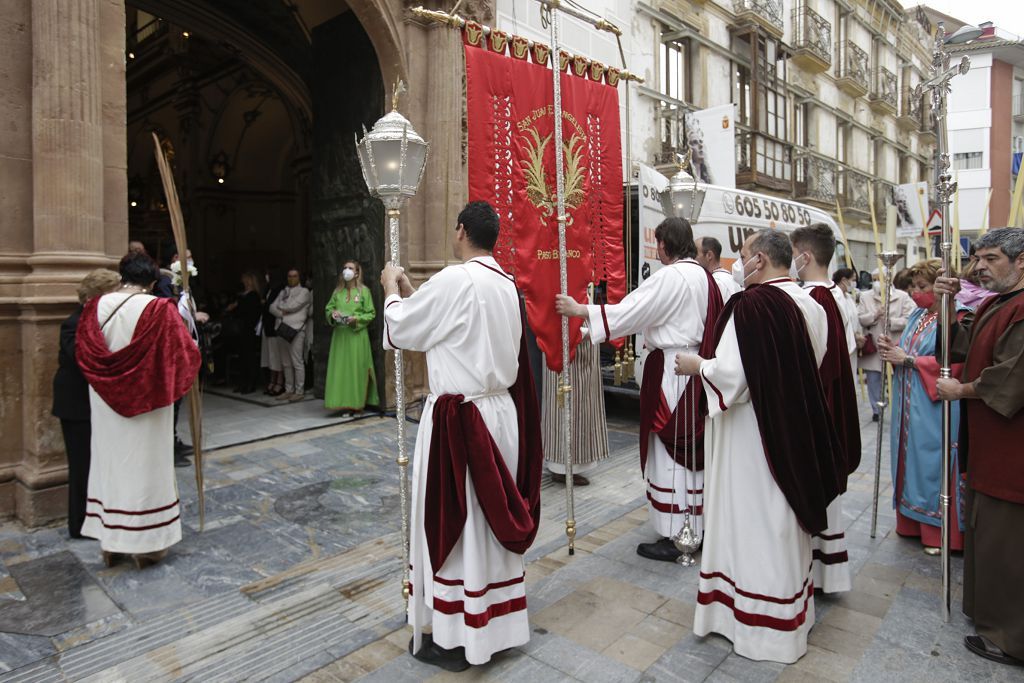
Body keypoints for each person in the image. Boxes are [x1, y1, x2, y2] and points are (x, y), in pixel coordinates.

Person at [380, 201, 542, 670]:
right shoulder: (508, 284)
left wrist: (391, 288)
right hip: (499, 416)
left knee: (464, 522)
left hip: (460, 420)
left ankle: (459, 635)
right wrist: (413, 292)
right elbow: (443, 324)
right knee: (487, 524)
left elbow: (401, 329)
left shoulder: (455, 279)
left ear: (460, 232)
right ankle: (497, 624)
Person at [675, 229, 842, 664]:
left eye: (743, 255)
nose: (737, 262)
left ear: (761, 261)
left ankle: (755, 624)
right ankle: (791, 611)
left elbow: (733, 377)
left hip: (753, 433)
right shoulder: (810, 303)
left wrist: (697, 365)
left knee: (754, 519)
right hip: (794, 427)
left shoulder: (754, 306)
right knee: (781, 519)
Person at [556, 217, 723, 562]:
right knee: (693, 455)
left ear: (664, 244)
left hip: (673, 373)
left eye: (658, 243)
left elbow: (632, 310)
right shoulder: (705, 278)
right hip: (697, 368)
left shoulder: (671, 277)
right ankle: (696, 527)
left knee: (671, 453)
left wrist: (581, 310)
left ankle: (676, 534)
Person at [75, 252, 201, 568]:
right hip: (148, 402)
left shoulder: (94, 308)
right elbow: (183, 357)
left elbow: (83, 352)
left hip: (105, 401)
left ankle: (111, 543)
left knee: (111, 464)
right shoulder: (159, 309)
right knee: (147, 466)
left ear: (122, 275)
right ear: (152, 280)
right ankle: (147, 546)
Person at [933, 228, 1024, 666]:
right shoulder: (995, 303)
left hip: (1013, 450)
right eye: (977, 259)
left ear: (1021, 260)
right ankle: (992, 618)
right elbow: (960, 347)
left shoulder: (1023, 308)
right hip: (990, 446)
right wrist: (944, 303)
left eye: (991, 259)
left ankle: (1010, 636)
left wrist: (962, 389)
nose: (979, 267)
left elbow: (1011, 376)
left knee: (1009, 541)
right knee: (989, 532)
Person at [877, 259, 966, 554]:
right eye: (913, 287)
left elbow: (954, 364)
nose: (916, 292)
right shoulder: (917, 315)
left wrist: (910, 360)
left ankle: (935, 530)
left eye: (923, 287)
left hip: (933, 407)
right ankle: (910, 523)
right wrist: (893, 349)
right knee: (908, 458)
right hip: (908, 402)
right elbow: (907, 350)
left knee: (931, 463)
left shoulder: (956, 318)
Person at [791, 224, 861, 594]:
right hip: (834, 404)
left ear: (804, 256)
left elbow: (818, 363)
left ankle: (820, 573)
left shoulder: (816, 297)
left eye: (793, 254)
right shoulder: (836, 295)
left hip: (821, 409)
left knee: (816, 492)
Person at [52, 269, 121, 539]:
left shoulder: (96, 320)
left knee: (97, 463)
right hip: (76, 404)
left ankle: (98, 516)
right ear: (98, 296)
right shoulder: (74, 322)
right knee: (81, 465)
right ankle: (79, 524)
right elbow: (82, 359)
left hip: (94, 403)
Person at [541, 285, 608, 487]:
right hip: (565, 347)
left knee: (584, 406)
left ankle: (577, 463)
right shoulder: (560, 278)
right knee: (564, 405)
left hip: (586, 346)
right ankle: (561, 466)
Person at [858, 267, 916, 421]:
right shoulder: (865, 297)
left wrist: (891, 322)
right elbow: (861, 318)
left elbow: (910, 318)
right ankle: (876, 409)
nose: (878, 282)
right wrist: (875, 315)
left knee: (896, 377)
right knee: (873, 379)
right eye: (875, 279)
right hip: (874, 345)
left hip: (894, 344)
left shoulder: (902, 297)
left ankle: (897, 405)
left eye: (881, 279)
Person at [324, 260, 378, 412]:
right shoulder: (337, 292)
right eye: (344, 267)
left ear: (357, 273)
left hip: (357, 336)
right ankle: (339, 403)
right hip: (340, 337)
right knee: (340, 370)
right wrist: (332, 314)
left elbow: (371, 313)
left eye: (350, 268)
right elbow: (329, 309)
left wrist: (357, 319)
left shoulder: (363, 292)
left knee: (356, 370)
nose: (346, 270)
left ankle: (356, 404)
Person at [269, 268, 311, 401]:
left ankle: (299, 391)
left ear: (299, 278)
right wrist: (282, 312)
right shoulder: (283, 291)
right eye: (289, 276)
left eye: (295, 276)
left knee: (297, 361)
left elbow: (293, 306)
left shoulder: (304, 292)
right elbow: (271, 307)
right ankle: (289, 390)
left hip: (296, 330)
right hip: (281, 329)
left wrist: (281, 307)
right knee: (286, 362)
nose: (292, 278)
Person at [220, 271, 263, 393]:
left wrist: (236, 308)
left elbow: (250, 312)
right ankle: (242, 382)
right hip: (241, 330)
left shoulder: (253, 296)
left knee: (249, 357)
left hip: (249, 330)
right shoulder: (242, 295)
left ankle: (250, 383)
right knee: (242, 357)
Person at [261, 269, 286, 396]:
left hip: (276, 327)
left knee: (277, 356)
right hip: (267, 327)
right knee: (271, 356)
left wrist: (268, 306)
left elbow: (276, 308)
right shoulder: (268, 289)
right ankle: (272, 380)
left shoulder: (281, 290)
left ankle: (279, 382)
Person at [696, 236, 741, 302]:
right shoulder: (731, 279)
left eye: (695, 253)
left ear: (709, 255)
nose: (692, 258)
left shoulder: (716, 282)